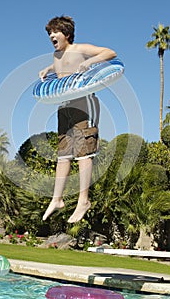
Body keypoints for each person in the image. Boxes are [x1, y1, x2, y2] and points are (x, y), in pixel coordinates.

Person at [39, 15, 117, 223]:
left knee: (83, 153)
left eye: (55, 32)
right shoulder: (56, 55)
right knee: (63, 155)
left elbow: (110, 52)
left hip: (84, 104)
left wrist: (90, 61)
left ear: (66, 33)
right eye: (49, 33)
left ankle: (84, 200)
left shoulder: (79, 49)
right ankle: (57, 199)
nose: (51, 36)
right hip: (64, 107)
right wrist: (48, 70)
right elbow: (62, 71)